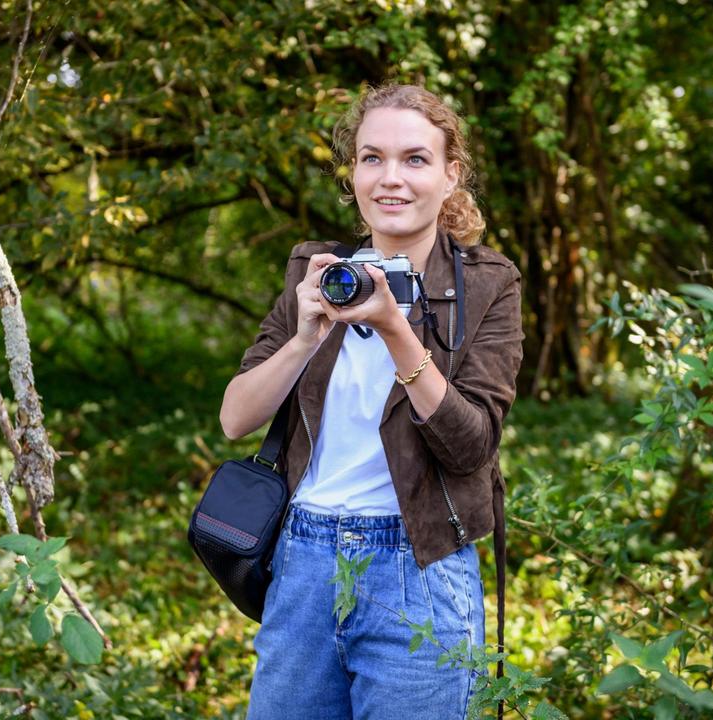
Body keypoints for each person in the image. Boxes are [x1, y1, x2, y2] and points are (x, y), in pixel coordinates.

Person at [220, 83, 523, 720]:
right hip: (303, 563)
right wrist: (305, 336)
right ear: (353, 172)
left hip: (421, 567)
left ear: (450, 175)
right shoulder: (317, 270)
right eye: (371, 158)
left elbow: (472, 446)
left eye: (415, 159)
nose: (391, 179)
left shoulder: (487, 284)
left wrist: (394, 328)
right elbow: (235, 418)